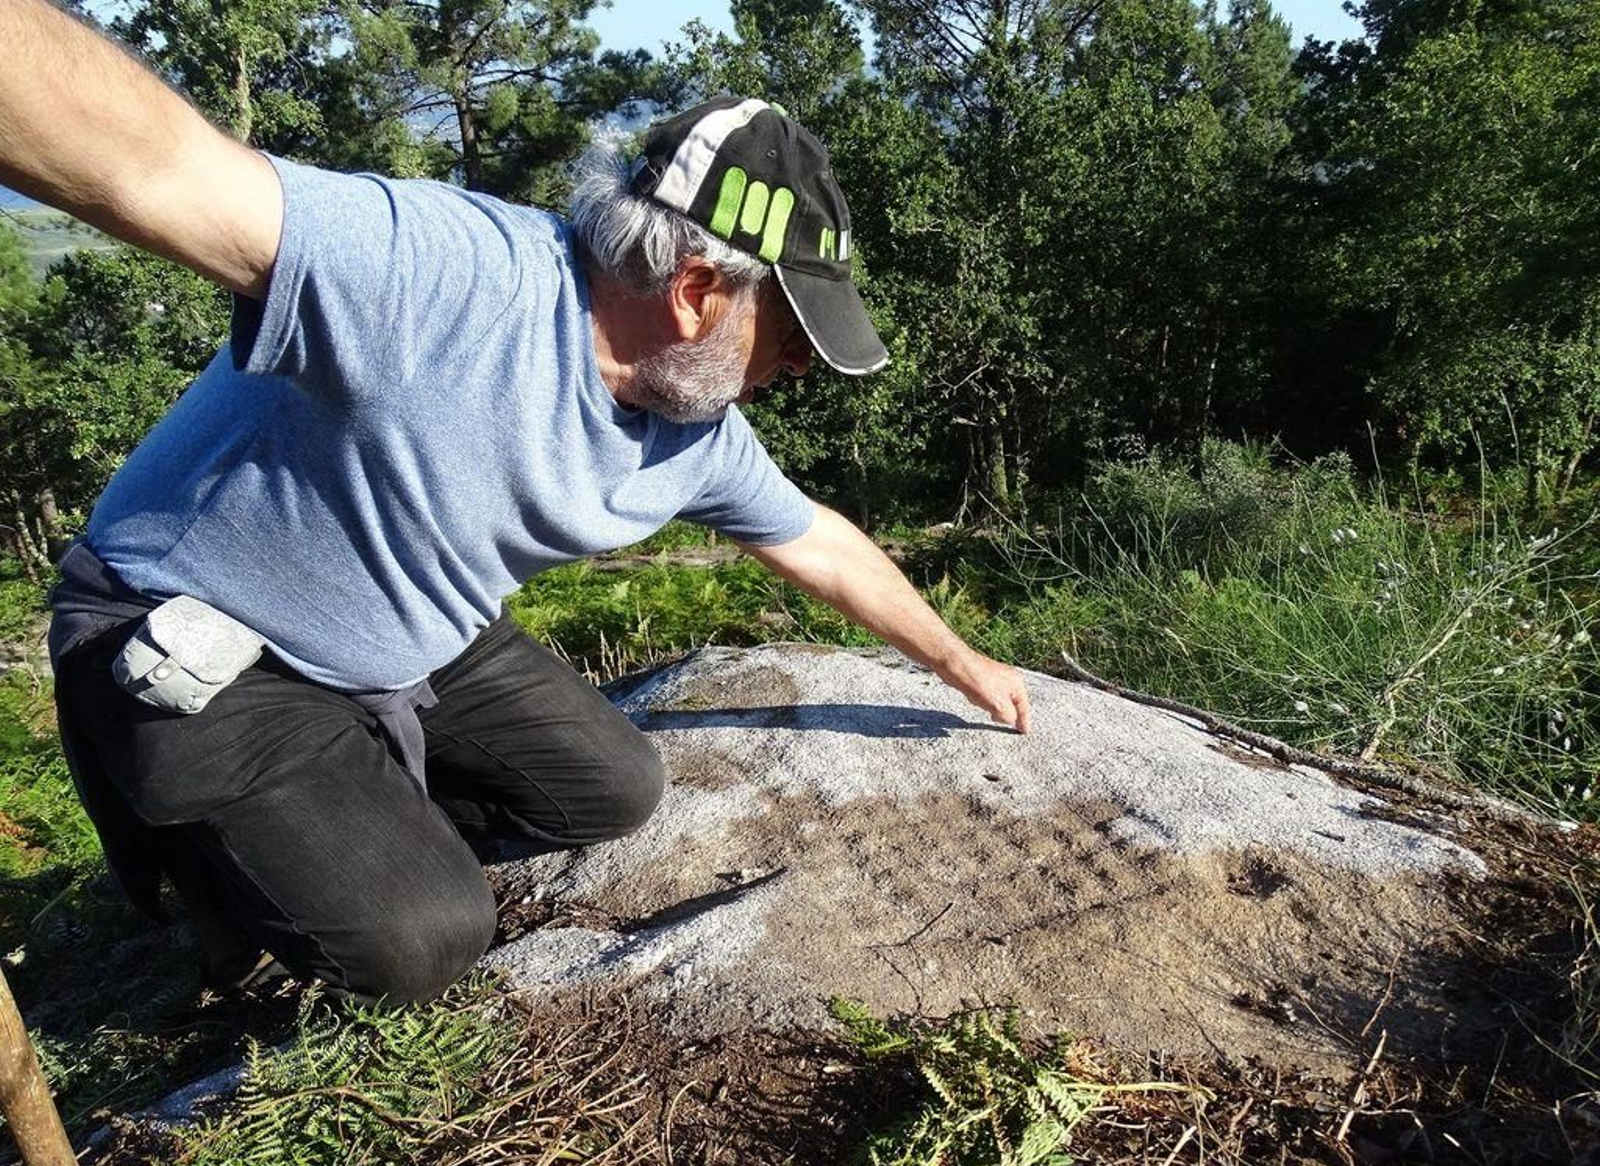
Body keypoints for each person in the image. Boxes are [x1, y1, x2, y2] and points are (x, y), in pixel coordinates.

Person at [0, 0, 1032, 1003]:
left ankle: (336, 817)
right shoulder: (445, 273)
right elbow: (154, 165)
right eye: (793, 338)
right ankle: (233, 882)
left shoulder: (690, 428)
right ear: (697, 292)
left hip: (410, 625)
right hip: (198, 632)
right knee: (422, 937)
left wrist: (961, 662)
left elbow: (818, 541)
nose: (797, 369)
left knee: (614, 788)